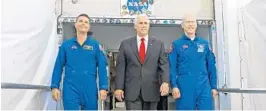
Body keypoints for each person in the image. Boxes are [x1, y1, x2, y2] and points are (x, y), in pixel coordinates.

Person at [50, 14, 108, 110]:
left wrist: (103, 87)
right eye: (80, 21)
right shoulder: (66, 45)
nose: (83, 24)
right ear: (75, 25)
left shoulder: (95, 45)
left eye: (86, 22)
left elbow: (102, 68)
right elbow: (58, 66)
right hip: (70, 88)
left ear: (89, 27)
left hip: (90, 88)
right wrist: (54, 86)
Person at [114, 14, 170, 110]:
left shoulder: (158, 44)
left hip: (151, 90)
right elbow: (120, 68)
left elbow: (164, 65)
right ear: (135, 26)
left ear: (149, 26)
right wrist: (119, 87)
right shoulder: (125, 44)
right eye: (140, 23)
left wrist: (165, 82)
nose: (143, 25)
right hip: (132, 91)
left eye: (145, 23)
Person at [168, 13, 218, 110]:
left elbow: (211, 66)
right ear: (182, 25)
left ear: (196, 25)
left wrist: (213, 86)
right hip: (184, 87)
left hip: (204, 87)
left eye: (192, 22)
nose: (190, 24)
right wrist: (174, 86)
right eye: (187, 22)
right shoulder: (177, 44)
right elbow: (172, 68)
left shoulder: (205, 44)